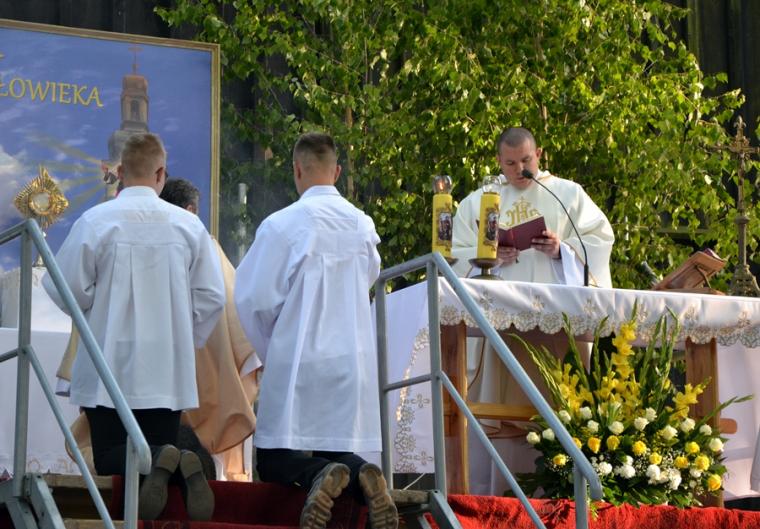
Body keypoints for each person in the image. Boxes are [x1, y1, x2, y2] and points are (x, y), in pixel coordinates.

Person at [42, 132, 225, 521]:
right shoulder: (188, 227)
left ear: (120, 172)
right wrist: (184, 337)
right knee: (158, 452)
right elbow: (212, 296)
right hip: (166, 365)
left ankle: (163, 459)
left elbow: (64, 286)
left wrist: (96, 308)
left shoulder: (96, 221)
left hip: (108, 358)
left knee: (110, 454)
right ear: (161, 173)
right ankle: (174, 460)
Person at [234, 132, 397, 529]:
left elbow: (253, 299)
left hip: (299, 358)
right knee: (337, 446)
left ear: (297, 169)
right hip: (350, 360)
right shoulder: (362, 226)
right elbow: (368, 279)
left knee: (273, 458)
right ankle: (362, 473)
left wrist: (272, 351)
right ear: (337, 172)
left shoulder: (282, 225)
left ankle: (317, 476)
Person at [451, 126, 614, 494]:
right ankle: (500, 493)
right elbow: (455, 255)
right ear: (498, 161)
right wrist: (490, 258)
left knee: (561, 410)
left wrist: (562, 251)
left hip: (558, 331)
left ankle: (562, 490)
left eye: (526, 160)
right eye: (510, 163)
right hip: (501, 331)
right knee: (501, 411)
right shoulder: (479, 201)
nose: (520, 170)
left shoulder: (566, 194)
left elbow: (599, 241)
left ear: (538, 154)